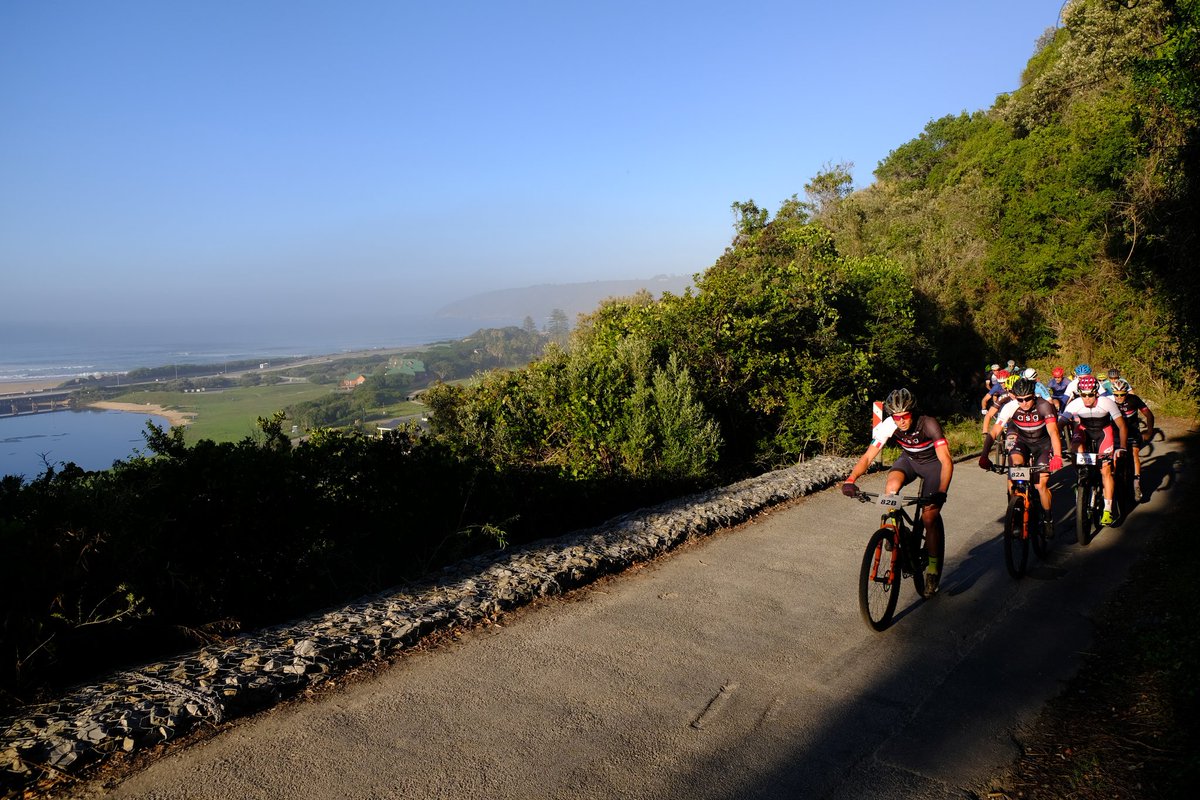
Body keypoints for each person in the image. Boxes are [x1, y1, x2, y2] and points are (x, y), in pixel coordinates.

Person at [842, 388, 953, 597]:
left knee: (929, 518)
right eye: (896, 417)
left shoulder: (928, 423)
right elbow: (868, 457)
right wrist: (850, 480)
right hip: (909, 461)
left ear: (913, 411)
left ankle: (932, 568)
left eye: (905, 416)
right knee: (890, 489)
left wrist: (941, 492)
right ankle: (893, 531)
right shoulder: (890, 424)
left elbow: (946, 460)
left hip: (933, 466)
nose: (901, 421)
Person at [978, 377, 1063, 538]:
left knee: (1040, 485)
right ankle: (1016, 510)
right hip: (1022, 440)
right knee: (1015, 467)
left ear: (1034, 395)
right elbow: (995, 431)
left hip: (1042, 444)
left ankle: (1047, 519)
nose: (1024, 403)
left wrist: (1057, 456)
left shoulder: (1045, 406)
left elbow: (1053, 432)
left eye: (1028, 399)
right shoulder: (1011, 406)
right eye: (1020, 400)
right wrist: (984, 455)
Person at [1062, 375, 1129, 525]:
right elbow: (1061, 424)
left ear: (1096, 393)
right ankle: (1080, 476)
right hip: (1084, 431)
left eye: (1090, 395)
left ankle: (1108, 510)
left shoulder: (1107, 403)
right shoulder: (1075, 404)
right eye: (1083, 395)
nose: (1086, 399)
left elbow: (1122, 426)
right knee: (1074, 449)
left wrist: (1123, 447)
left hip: (1103, 433)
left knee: (1105, 469)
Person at [1111, 378, 1155, 501]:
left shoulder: (1134, 400)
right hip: (1116, 433)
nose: (1119, 397)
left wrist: (1149, 432)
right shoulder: (1110, 402)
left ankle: (1136, 484)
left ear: (1126, 393)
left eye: (1122, 394)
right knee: (1112, 456)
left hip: (1133, 431)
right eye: (1116, 395)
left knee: (1135, 454)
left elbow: (1149, 415)